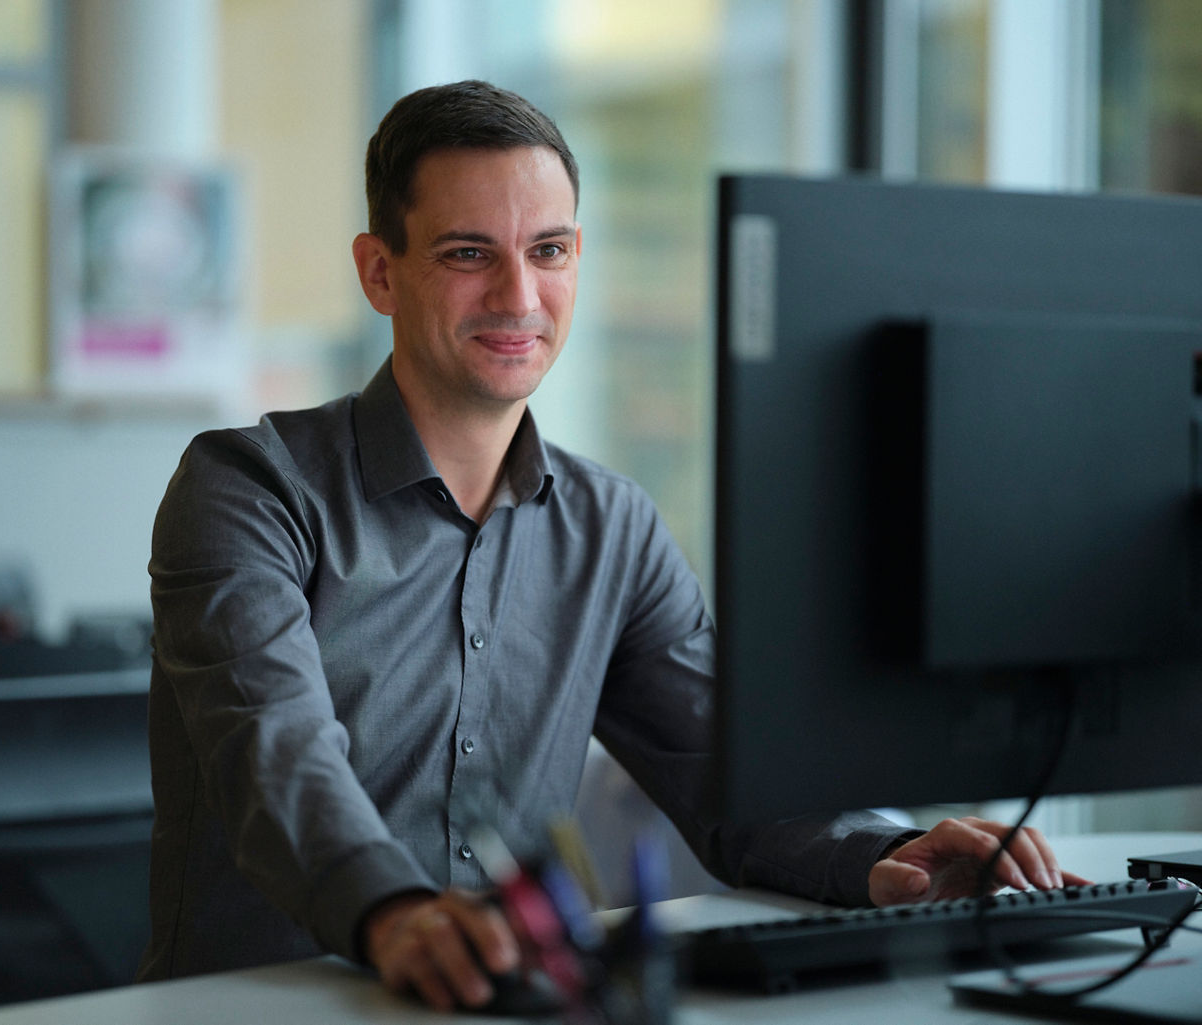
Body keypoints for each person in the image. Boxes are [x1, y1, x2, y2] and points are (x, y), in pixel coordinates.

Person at [137, 80, 1082, 1011]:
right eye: (470, 252)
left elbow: (728, 772)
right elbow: (278, 757)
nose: (519, 293)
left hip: (512, 1003)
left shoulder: (612, 529)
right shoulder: (248, 488)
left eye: (548, 249)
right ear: (380, 271)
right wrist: (396, 912)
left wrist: (886, 852)